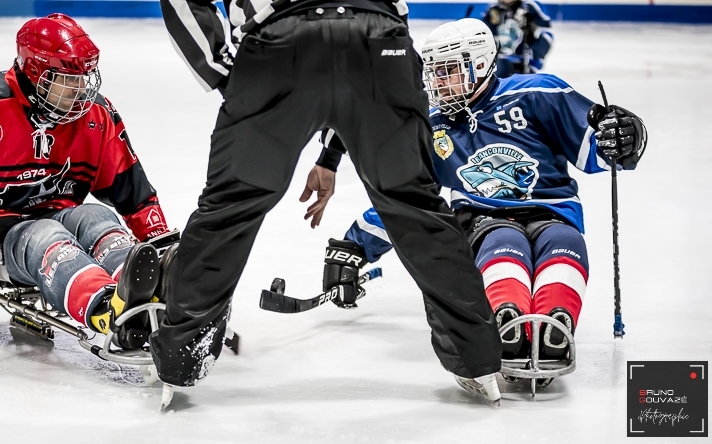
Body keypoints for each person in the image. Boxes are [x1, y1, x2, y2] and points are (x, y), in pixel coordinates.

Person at [153, 0, 503, 405]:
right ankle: (478, 361)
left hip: (278, 42)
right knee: (416, 206)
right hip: (379, 38)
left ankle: (180, 362)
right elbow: (353, 54)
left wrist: (222, 70)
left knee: (230, 207)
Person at [318, 19, 647, 386]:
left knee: (565, 244)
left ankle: (555, 327)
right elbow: (408, 200)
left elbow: (599, 151)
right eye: (433, 73)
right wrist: (355, 244)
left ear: (478, 65)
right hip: (483, 221)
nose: (437, 82)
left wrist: (626, 136)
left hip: (553, 213)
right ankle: (508, 320)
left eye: (447, 71)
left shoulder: (538, 93)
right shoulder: (431, 126)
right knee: (503, 244)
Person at [0, 14, 172, 348]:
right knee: (45, 234)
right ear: (36, 73)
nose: (82, 90)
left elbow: (131, 191)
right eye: (68, 79)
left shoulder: (96, 114)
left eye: (86, 78)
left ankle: (144, 292)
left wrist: (163, 245)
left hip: (56, 216)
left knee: (97, 217)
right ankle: (106, 310)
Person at [482, 0, 554, 77]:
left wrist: (535, 57)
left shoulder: (530, 6)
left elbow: (547, 34)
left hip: (524, 61)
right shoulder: (492, 9)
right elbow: (485, 35)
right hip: (500, 61)